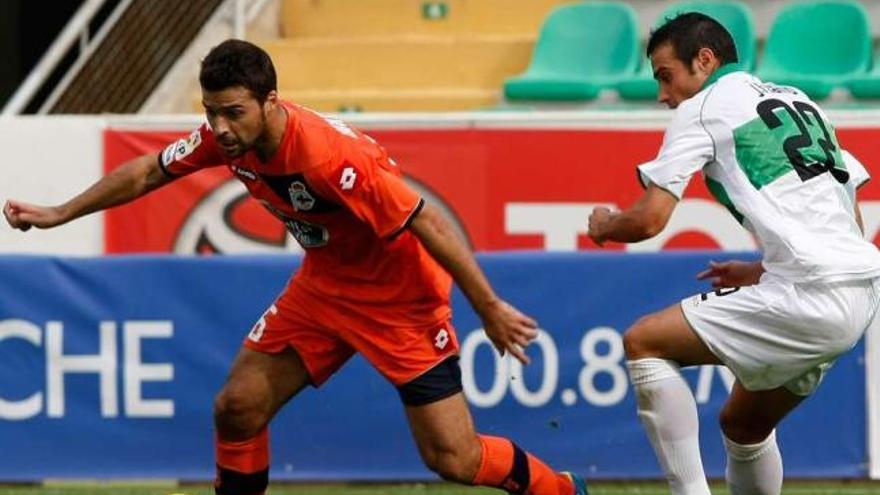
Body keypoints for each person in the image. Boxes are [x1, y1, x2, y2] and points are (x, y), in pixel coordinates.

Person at [3, 40, 587, 495]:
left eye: (233, 113)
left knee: (453, 460)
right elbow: (150, 171)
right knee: (237, 409)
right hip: (323, 291)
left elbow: (428, 221)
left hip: (400, 303)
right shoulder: (226, 136)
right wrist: (60, 211)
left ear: (270, 103)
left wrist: (487, 307)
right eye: (212, 114)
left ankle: (559, 489)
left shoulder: (331, 158)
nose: (221, 128)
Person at [587, 13, 880, 495]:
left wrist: (605, 225)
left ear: (704, 60)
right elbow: (848, 218)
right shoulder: (799, 101)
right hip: (859, 293)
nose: (664, 94)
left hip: (810, 295)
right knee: (744, 424)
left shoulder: (703, 108)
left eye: (666, 76)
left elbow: (648, 220)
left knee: (643, 343)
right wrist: (763, 270)